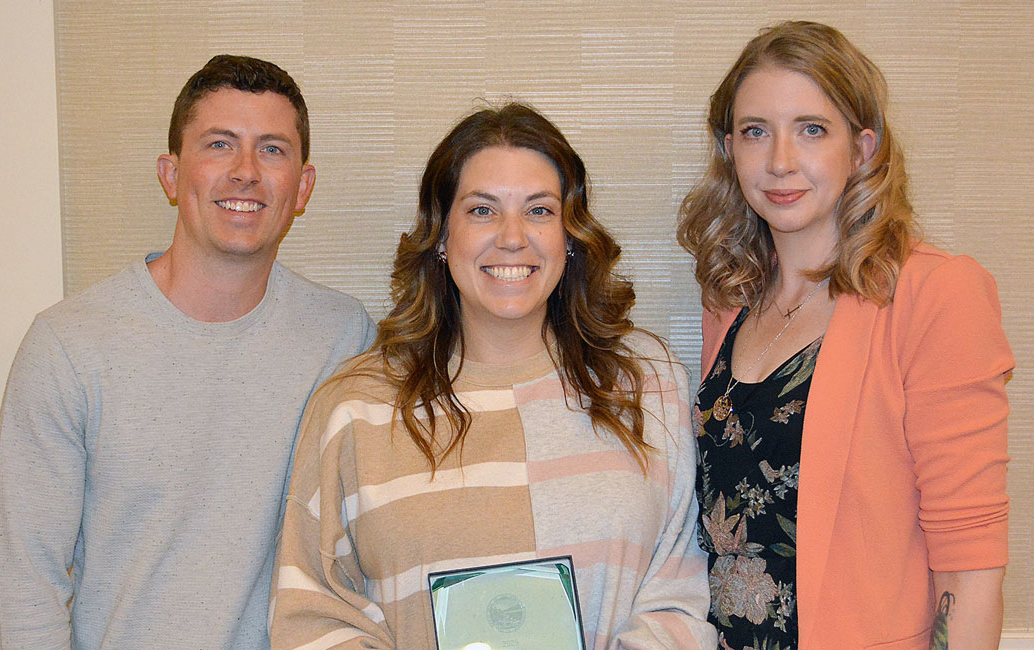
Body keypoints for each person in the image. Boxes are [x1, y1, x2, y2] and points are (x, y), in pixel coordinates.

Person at [271, 103, 716, 650]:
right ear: (440, 235)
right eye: (482, 210)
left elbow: (678, 596)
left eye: (539, 210)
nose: (512, 237)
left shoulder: (647, 383)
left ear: (570, 235)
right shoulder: (354, 408)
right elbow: (313, 615)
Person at [0, 55, 374, 650]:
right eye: (219, 145)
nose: (246, 172)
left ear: (302, 187)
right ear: (171, 175)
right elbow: (26, 590)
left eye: (272, 150)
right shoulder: (68, 346)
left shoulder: (343, 338)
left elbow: (373, 543)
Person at [677, 22, 1015, 650]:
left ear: (862, 150)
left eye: (811, 129)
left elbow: (968, 566)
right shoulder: (731, 299)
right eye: (756, 132)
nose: (780, 160)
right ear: (730, 150)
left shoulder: (933, 295)